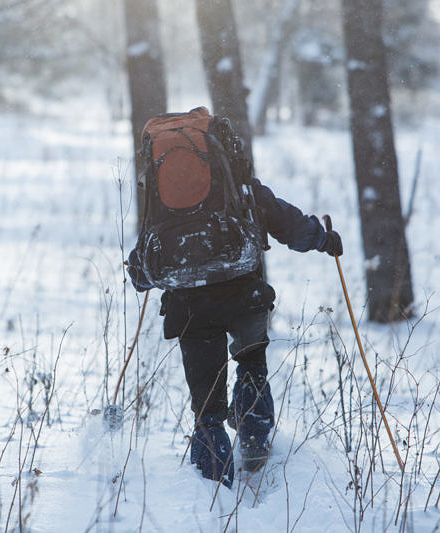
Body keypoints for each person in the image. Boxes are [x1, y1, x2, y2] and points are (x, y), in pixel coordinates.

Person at [126, 113, 342, 488]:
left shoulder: (160, 196)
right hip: (244, 294)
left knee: (206, 405)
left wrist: (141, 277)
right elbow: (285, 222)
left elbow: (145, 256)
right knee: (252, 364)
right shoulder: (238, 187)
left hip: (189, 305)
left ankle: (212, 488)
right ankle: (256, 449)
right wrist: (322, 239)